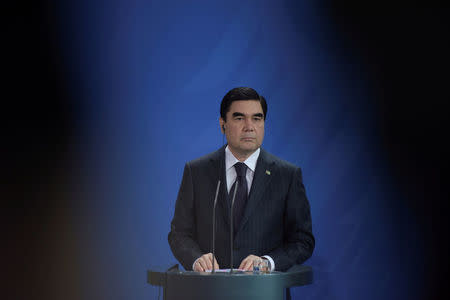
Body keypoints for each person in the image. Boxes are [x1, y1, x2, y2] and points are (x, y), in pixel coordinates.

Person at [168, 87, 314, 272]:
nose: (249, 127)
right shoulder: (196, 171)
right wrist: (196, 259)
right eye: (239, 118)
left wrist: (268, 262)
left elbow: (303, 241)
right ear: (223, 125)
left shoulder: (287, 176)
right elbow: (179, 234)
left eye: (257, 118)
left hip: (264, 292)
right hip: (208, 291)